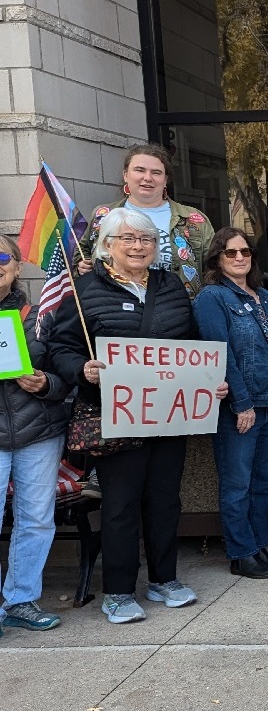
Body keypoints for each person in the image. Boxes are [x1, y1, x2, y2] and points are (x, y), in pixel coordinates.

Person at [48, 208, 226, 623]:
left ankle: (164, 579)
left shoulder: (171, 288)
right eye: (127, 238)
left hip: (169, 415)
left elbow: (193, 344)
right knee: (121, 504)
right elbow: (59, 348)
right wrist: (81, 369)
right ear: (107, 245)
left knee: (164, 500)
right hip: (115, 414)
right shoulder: (86, 290)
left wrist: (208, 380)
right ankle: (118, 590)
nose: (138, 246)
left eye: (145, 239)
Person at [194, 228, 268, 580]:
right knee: (237, 483)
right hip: (239, 407)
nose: (239, 258)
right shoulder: (212, 297)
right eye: (231, 252)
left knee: (261, 482)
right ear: (217, 258)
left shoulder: (264, 296)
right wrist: (242, 403)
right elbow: (220, 357)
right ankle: (241, 553)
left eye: (245, 252)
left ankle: (259, 548)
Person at [0, 237, 69, 634]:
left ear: (18, 263)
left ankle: (21, 600)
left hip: (39, 432)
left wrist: (46, 383)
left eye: (2, 257)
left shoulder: (42, 315)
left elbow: (68, 372)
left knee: (37, 520)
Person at [76, 143, 215, 299]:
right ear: (125, 175)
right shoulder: (103, 215)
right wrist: (82, 266)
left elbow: (215, 267)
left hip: (179, 311)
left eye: (156, 172)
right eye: (139, 170)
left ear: (165, 179)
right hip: (114, 310)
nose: (147, 178)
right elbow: (81, 255)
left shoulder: (193, 219)